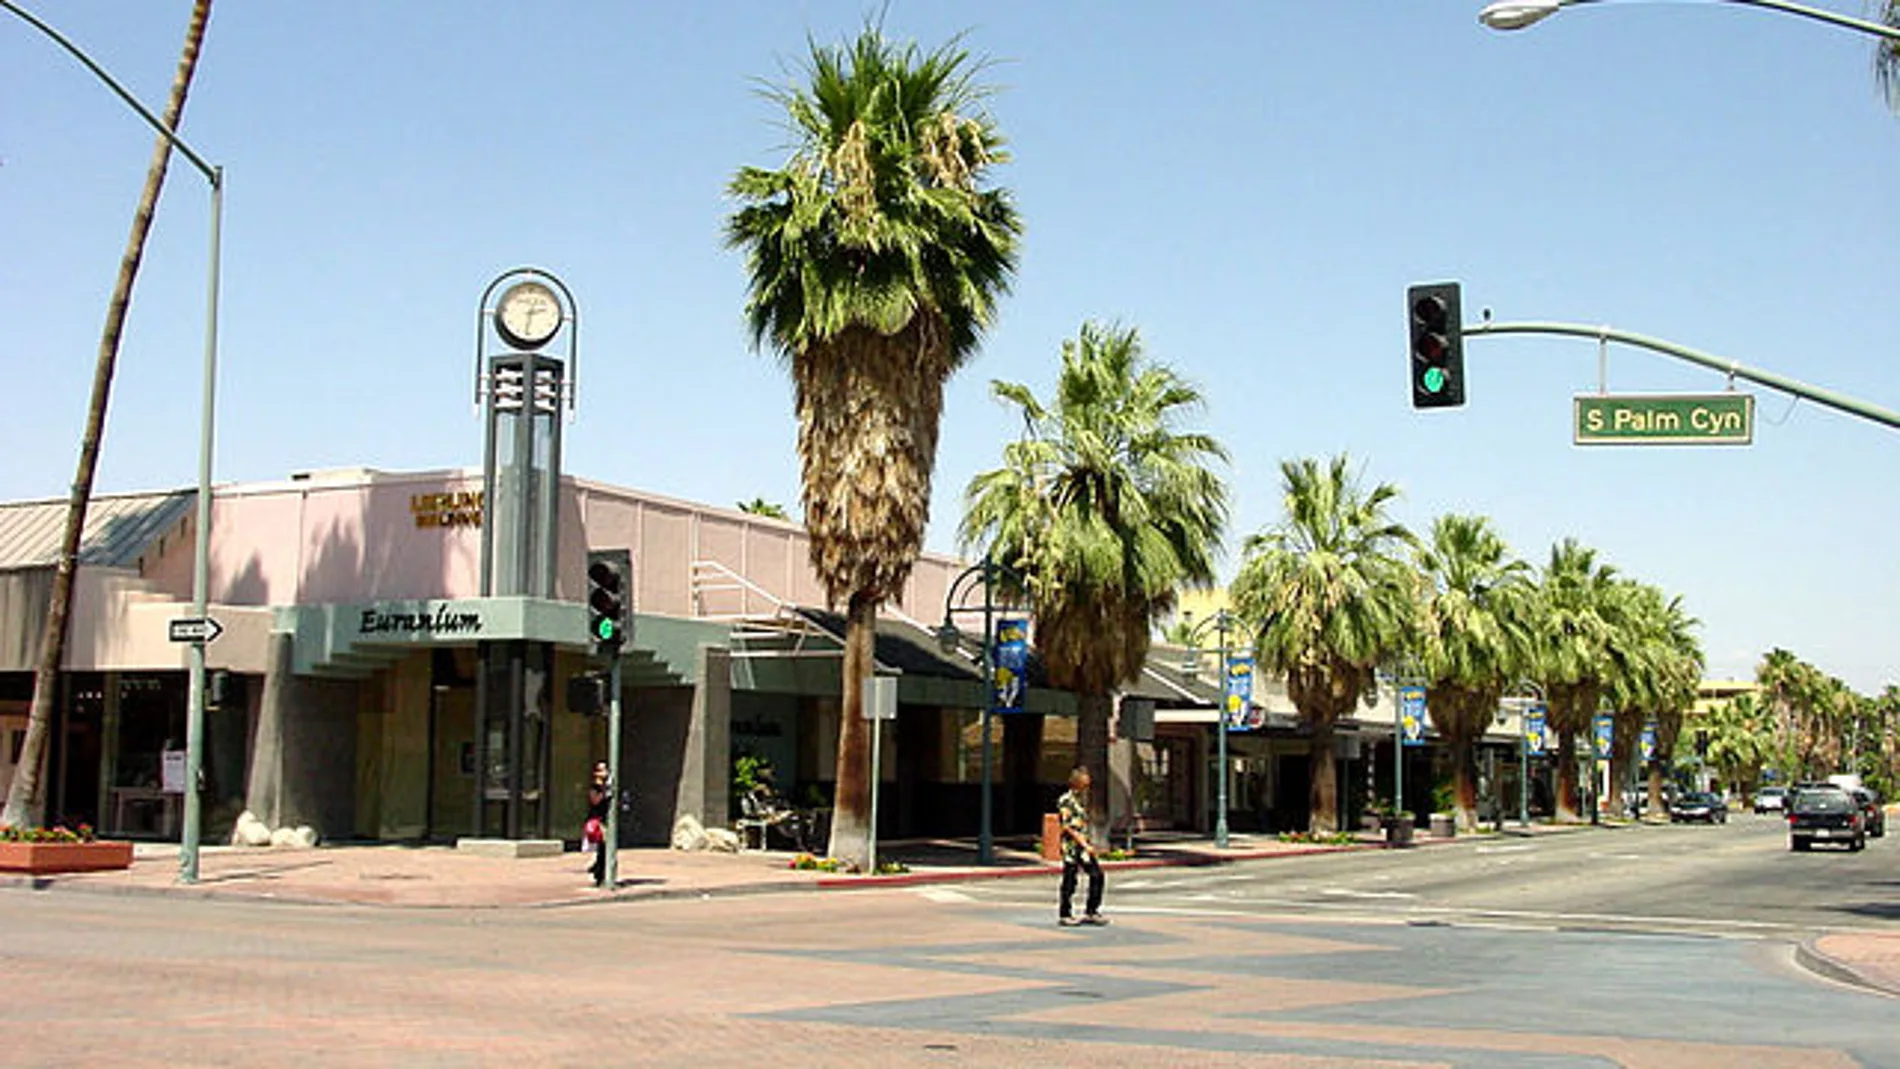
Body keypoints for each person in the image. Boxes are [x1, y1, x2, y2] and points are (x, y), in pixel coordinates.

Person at [1056, 766, 1108, 927]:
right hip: (1072, 847)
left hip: (1083, 845)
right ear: (1076, 782)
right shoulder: (1066, 800)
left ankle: (1092, 910)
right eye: (1084, 784)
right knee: (1070, 879)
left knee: (1097, 875)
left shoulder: (1081, 800)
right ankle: (1065, 913)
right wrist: (1084, 845)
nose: (1087, 787)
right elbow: (1068, 827)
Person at [584, 760, 611, 887]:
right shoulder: (595, 787)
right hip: (598, 821)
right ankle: (599, 873)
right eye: (601, 770)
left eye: (605, 769)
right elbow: (595, 801)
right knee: (603, 848)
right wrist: (605, 794)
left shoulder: (607, 786)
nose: (604, 772)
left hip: (606, 820)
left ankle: (599, 870)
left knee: (604, 849)